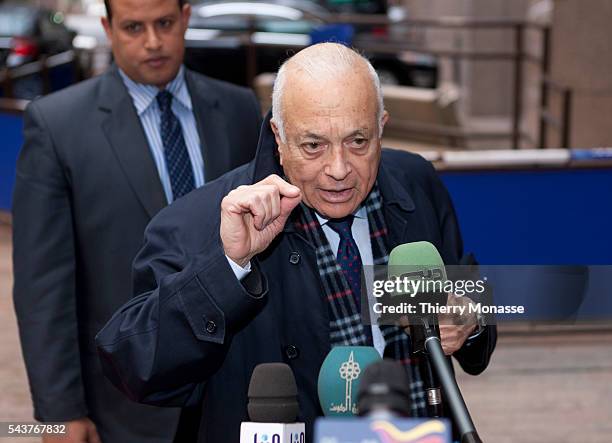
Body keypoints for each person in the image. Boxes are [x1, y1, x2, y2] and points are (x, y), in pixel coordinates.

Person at [96, 43, 496, 443]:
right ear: (279, 137)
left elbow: (474, 310)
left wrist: (470, 322)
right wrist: (228, 267)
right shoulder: (200, 222)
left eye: (358, 141)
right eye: (313, 145)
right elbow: (134, 366)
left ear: (382, 127)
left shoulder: (415, 184)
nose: (338, 169)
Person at [12, 0, 262, 441]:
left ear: (185, 18)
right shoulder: (57, 126)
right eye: (133, 27)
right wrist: (60, 410)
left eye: (164, 23)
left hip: (232, 394)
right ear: (108, 28)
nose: (152, 42)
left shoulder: (239, 109)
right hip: (122, 403)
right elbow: (43, 287)